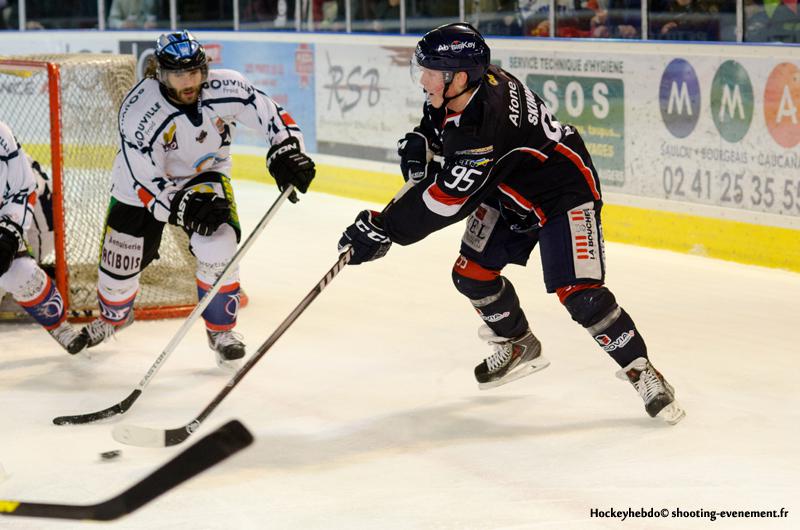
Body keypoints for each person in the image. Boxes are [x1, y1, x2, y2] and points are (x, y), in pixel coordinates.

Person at [337, 23, 685, 424]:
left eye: (432, 71)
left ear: (458, 77)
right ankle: (518, 344)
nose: (423, 79)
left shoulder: (483, 127)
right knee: (471, 275)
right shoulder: (468, 87)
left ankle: (643, 371)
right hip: (507, 187)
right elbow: (440, 127)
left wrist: (385, 228)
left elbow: (446, 201)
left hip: (562, 193)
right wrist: (424, 139)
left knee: (581, 295)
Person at [78, 30, 315, 369]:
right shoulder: (138, 110)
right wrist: (181, 206)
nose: (189, 82)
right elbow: (146, 179)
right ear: (160, 74)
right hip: (138, 188)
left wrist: (287, 150)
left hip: (204, 174)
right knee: (117, 275)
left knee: (218, 243)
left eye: (194, 72)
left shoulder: (227, 86)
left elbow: (272, 115)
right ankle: (113, 317)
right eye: (178, 75)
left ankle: (221, 332)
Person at [0, 119, 87, 355]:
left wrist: (9, 233)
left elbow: (23, 190)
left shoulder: (2, 137)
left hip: (31, 223)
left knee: (18, 272)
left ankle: (58, 325)